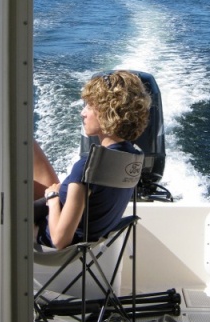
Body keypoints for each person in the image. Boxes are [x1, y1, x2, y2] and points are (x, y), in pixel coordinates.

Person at [34, 70, 151, 250]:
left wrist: (53, 198)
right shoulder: (132, 157)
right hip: (93, 244)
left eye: (89, 106)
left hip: (49, 241)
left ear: (107, 113)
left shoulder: (87, 167)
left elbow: (60, 240)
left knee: (25, 142)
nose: (82, 113)